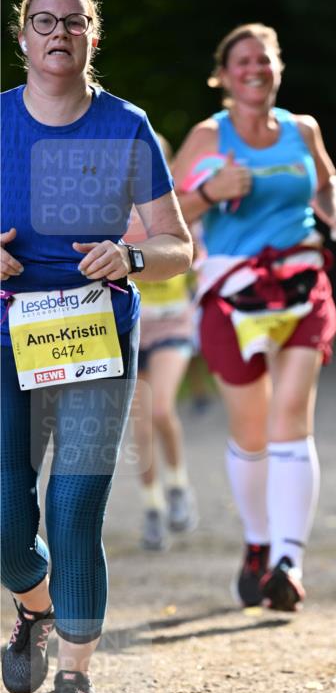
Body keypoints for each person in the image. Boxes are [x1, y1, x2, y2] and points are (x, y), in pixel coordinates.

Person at [0, 0, 192, 693]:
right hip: (5, 329)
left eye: (73, 22)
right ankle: (36, 605)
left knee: (75, 504)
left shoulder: (125, 125)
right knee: (5, 514)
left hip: (93, 329)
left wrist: (133, 258)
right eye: (43, 21)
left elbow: (180, 245)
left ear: (92, 37)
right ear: (22, 38)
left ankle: (75, 678)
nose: (58, 33)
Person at [171, 23, 336, 611]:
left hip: (302, 284)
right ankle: (258, 543)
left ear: (278, 69)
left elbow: (326, 187)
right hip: (233, 293)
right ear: (224, 76)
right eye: (243, 62)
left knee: (291, 415)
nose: (256, 69)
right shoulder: (209, 136)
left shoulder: (303, 130)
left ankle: (288, 560)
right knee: (251, 430)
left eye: (265, 60)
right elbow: (164, 214)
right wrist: (212, 191)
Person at [127, 135, 198, 550]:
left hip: (173, 323)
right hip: (130, 325)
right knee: (140, 422)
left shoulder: (180, 210)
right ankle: (152, 507)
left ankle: (178, 486)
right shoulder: (110, 210)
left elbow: (196, 259)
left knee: (162, 408)